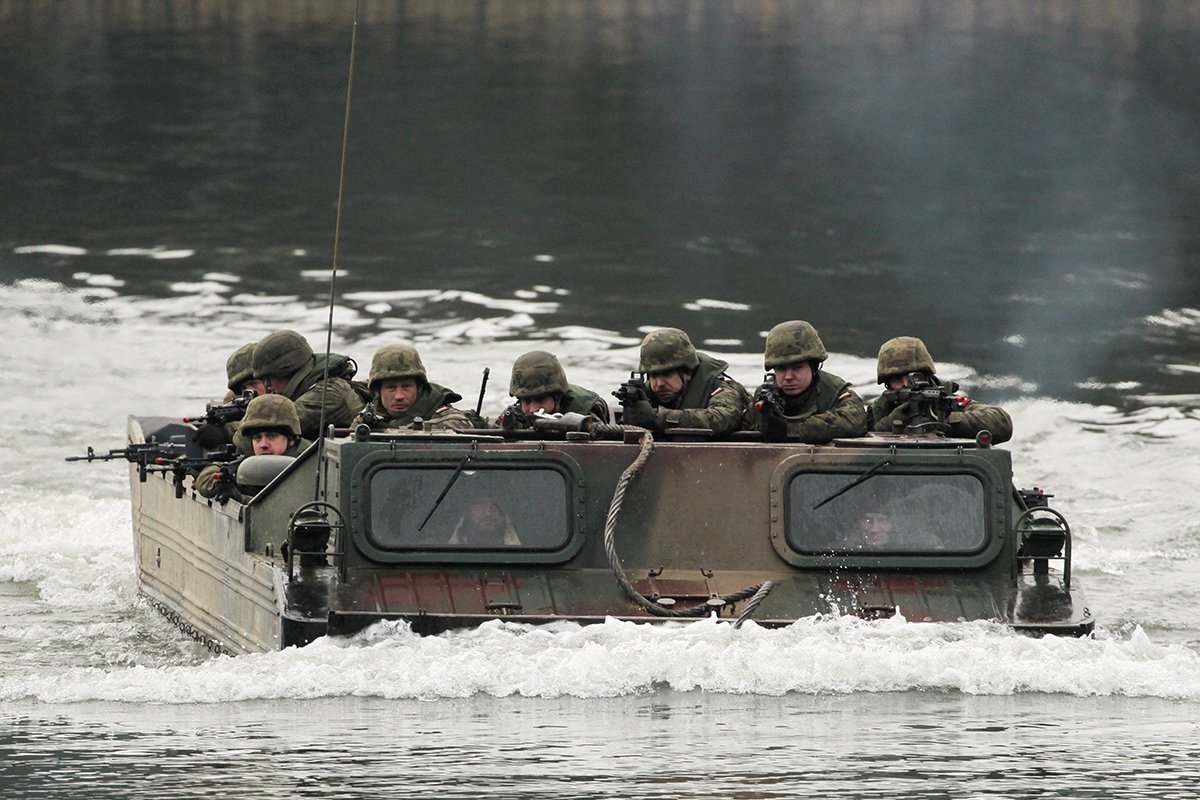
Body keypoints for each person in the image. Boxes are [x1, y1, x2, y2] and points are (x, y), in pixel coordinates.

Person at [868, 336, 1013, 443]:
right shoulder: (879, 410)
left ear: (927, 375)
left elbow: (1002, 422)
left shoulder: (944, 400)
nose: (907, 384)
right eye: (897, 380)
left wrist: (943, 422)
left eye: (915, 377)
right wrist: (891, 424)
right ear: (887, 385)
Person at [741, 320, 868, 442]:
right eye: (781, 369)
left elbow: (855, 420)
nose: (788, 377)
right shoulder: (764, 397)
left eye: (797, 368)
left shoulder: (833, 391)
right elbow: (741, 433)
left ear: (813, 367)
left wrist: (788, 430)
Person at [615, 327, 749, 437]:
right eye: (654, 375)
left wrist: (657, 417)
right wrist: (632, 414)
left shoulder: (718, 386)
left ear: (687, 372)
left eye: (667, 374)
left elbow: (723, 419)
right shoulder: (647, 392)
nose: (660, 383)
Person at [251, 329, 366, 440]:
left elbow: (275, 425)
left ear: (287, 370)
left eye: (269, 377)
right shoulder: (315, 387)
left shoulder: (326, 395)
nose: (266, 385)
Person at [193, 395, 311, 501]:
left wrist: (242, 499)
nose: (263, 444)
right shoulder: (251, 459)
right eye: (257, 438)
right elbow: (206, 477)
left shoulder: (311, 463)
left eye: (272, 436)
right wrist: (224, 481)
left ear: (292, 440)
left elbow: (285, 508)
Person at [352, 344, 474, 430]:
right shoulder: (369, 418)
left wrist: (394, 430)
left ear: (419, 388)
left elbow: (460, 424)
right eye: (391, 388)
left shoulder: (443, 415)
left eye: (406, 387)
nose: (399, 396)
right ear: (378, 391)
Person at [494, 351, 610, 429]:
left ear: (557, 397)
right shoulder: (517, 414)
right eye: (527, 401)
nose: (533, 409)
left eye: (540, 400)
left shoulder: (583, 412)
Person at [447, 498, 521, 547]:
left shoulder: (522, 555)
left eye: (495, 505)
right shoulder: (447, 557)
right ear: (467, 512)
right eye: (481, 504)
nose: (488, 512)